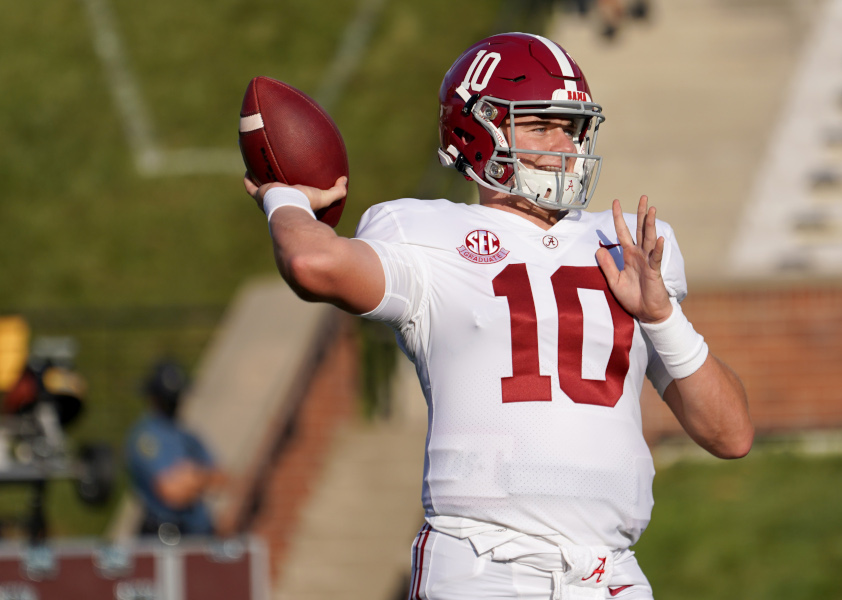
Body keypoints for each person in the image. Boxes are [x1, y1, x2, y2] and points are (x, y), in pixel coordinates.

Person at [246, 32, 752, 600]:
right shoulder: (426, 233)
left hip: (610, 574)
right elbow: (312, 260)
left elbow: (730, 435)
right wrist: (284, 195)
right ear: (476, 132)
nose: (566, 144)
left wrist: (662, 317)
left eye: (574, 125)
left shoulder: (625, 245)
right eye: (540, 124)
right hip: (485, 566)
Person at [124, 360, 226, 538]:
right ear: (154, 397)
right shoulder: (146, 437)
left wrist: (192, 476)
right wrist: (198, 478)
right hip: (166, 535)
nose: (174, 402)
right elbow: (170, 491)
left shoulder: (186, 435)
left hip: (198, 532)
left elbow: (221, 477)